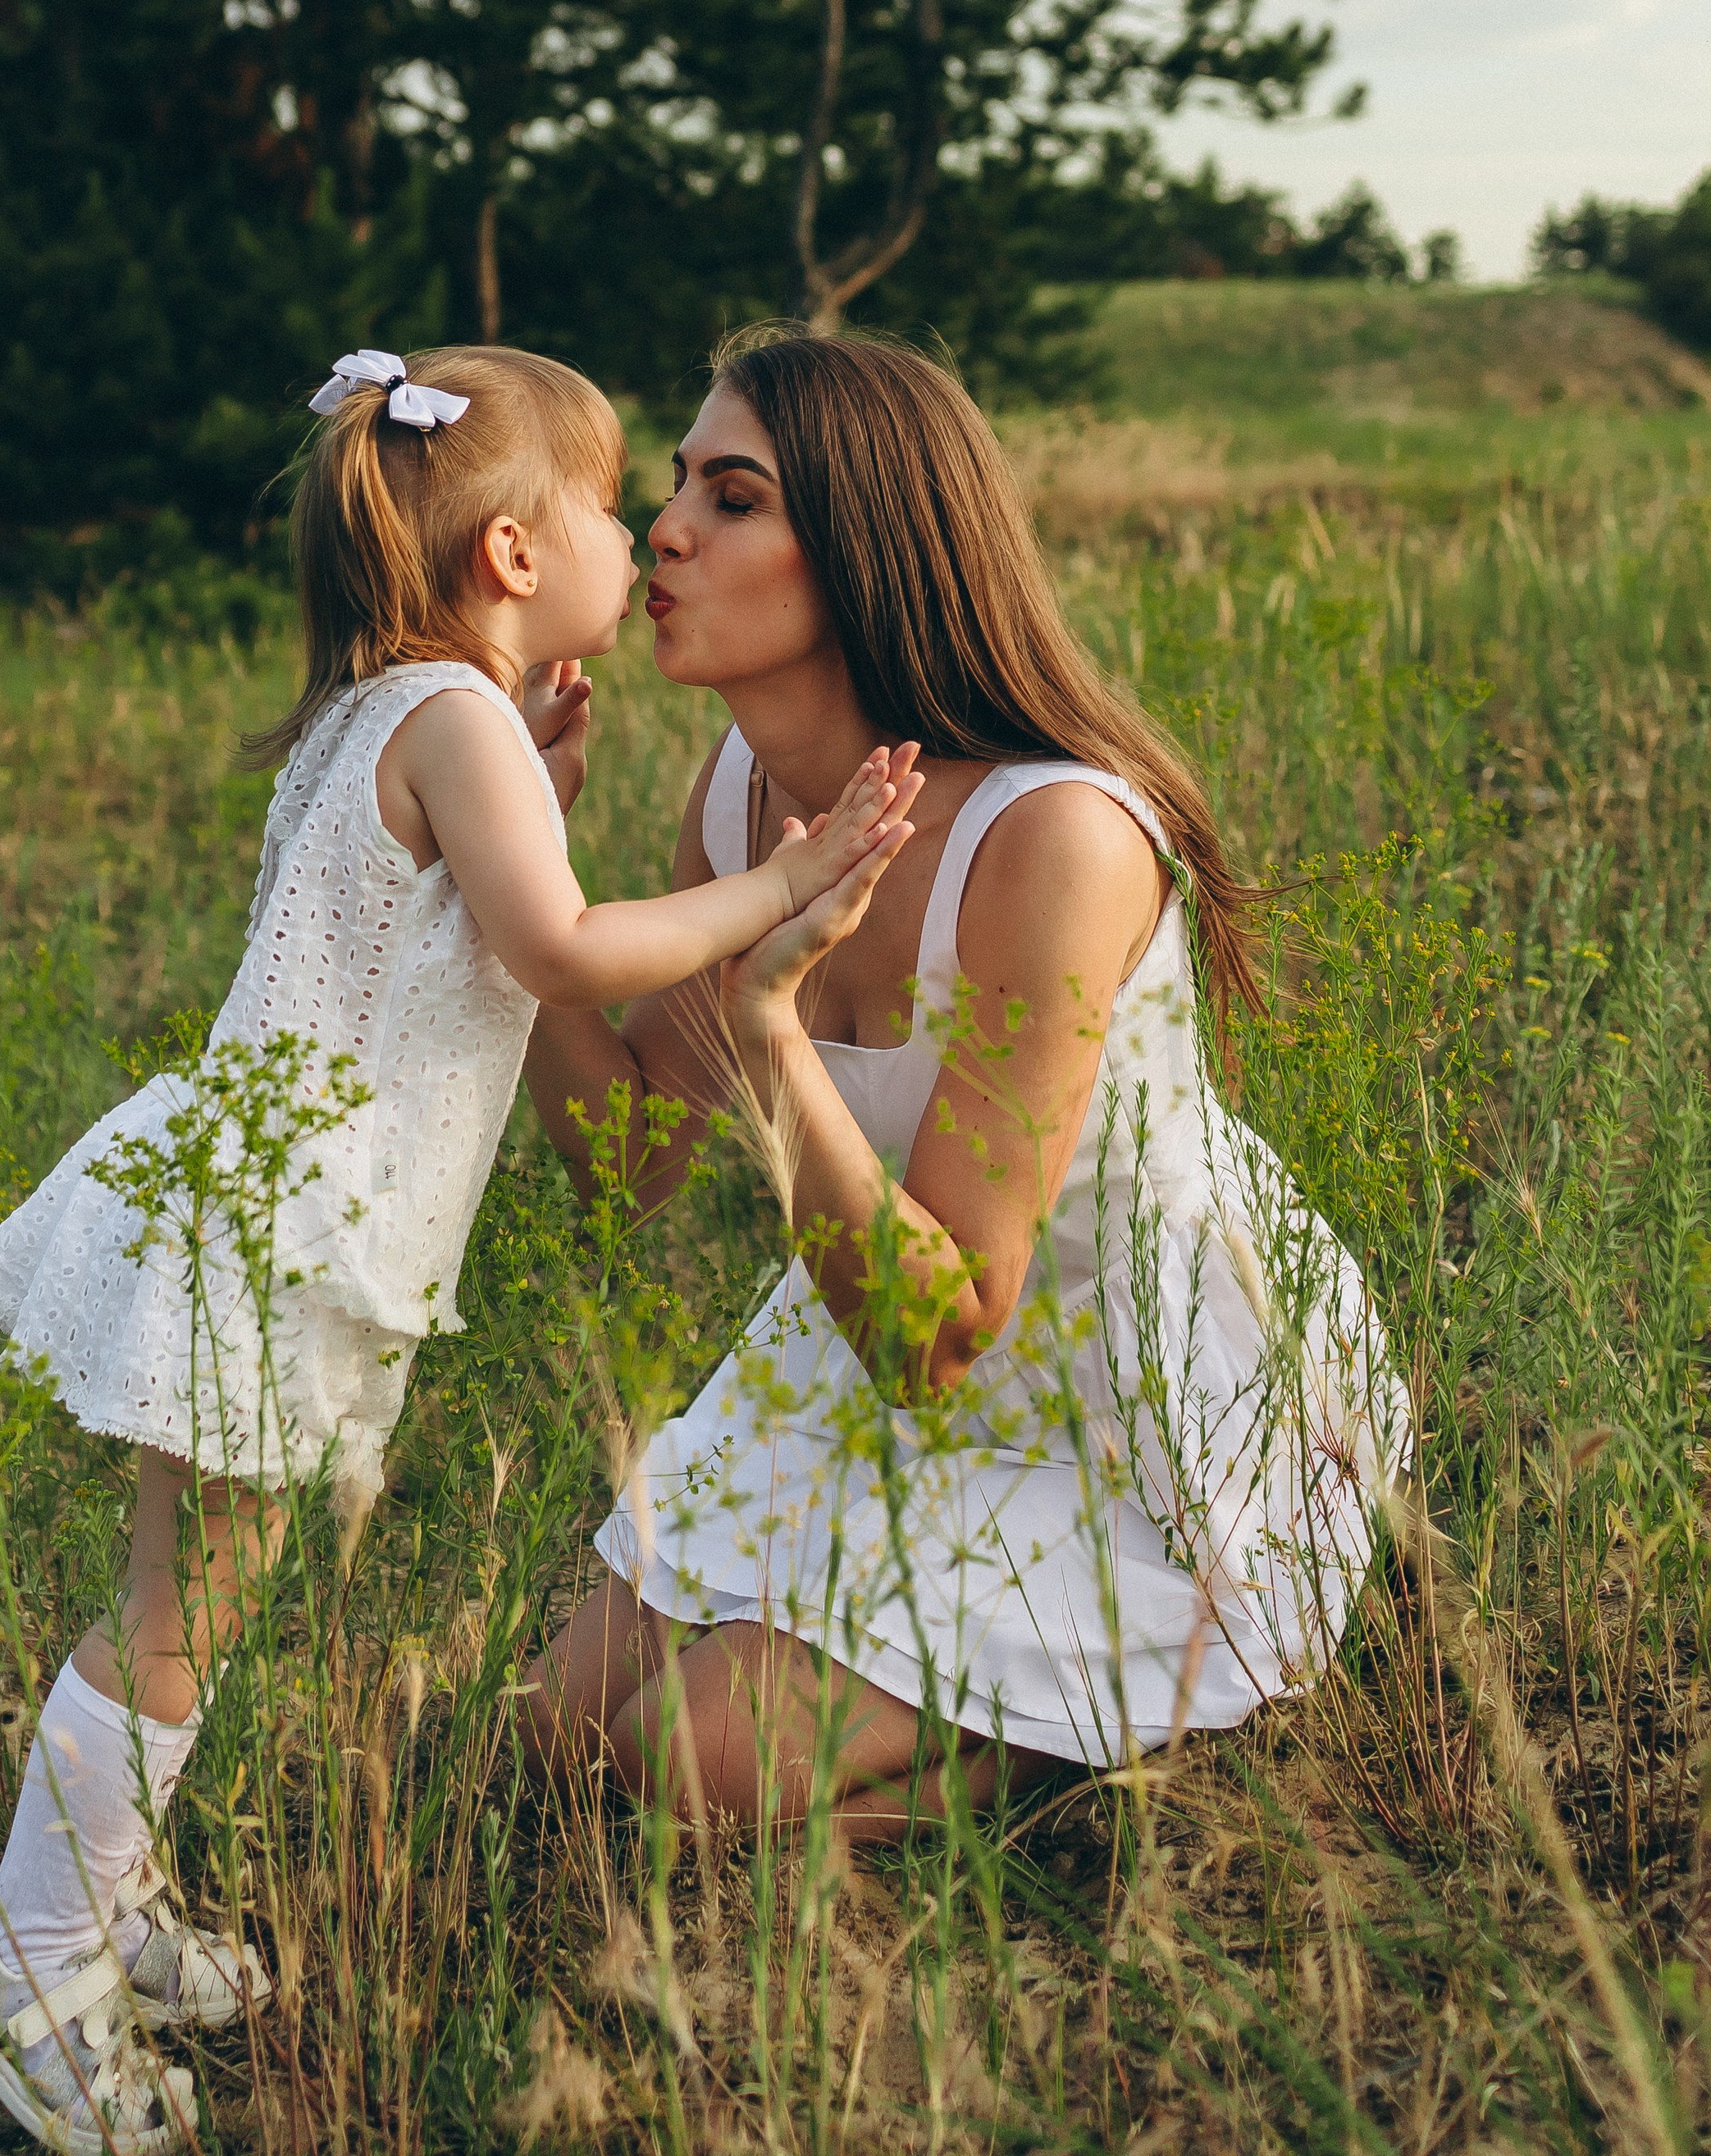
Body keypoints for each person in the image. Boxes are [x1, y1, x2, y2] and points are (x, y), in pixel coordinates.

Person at [0, 344, 918, 2154]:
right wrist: (782, 885)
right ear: (515, 556)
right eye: (610, 504)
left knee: (182, 1597)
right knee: (177, 1616)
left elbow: (449, 930)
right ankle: (27, 1970)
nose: (641, 535)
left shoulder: (402, 709)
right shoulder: (454, 718)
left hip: (269, 1201)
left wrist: (536, 796)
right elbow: (561, 952)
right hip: (291, 1228)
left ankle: (98, 1911)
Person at [520, 327, 1403, 1840]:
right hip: (859, 1330)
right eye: (678, 485)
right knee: (557, 1735)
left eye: (735, 498)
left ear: (867, 549)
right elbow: (630, 1166)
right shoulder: (737, 796)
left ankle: (1133, 1734)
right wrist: (520, 892)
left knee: (688, 1765)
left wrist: (772, 1019)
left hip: (1108, 1398)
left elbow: (944, 1330)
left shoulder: (1055, 838)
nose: (663, 530)